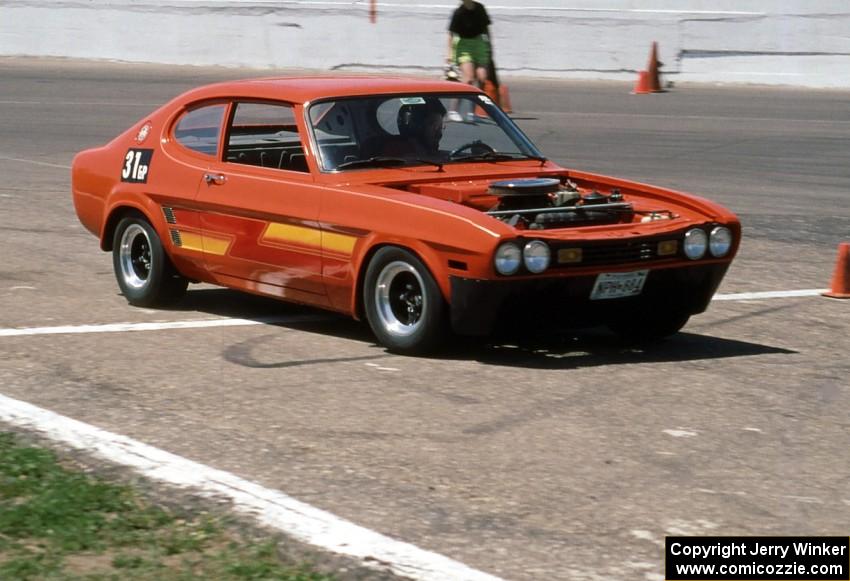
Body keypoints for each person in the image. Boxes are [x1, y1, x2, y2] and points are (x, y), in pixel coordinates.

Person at [447, 1, 492, 91]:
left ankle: (478, 101)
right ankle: (459, 101)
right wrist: (449, 54)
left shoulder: (480, 8)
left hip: (479, 44)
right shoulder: (459, 12)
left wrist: (489, 46)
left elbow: (486, 29)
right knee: (468, 79)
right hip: (464, 46)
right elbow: (451, 34)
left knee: (482, 77)